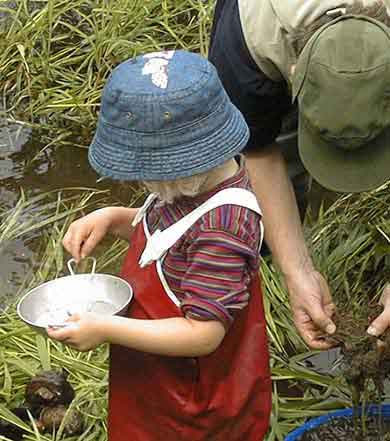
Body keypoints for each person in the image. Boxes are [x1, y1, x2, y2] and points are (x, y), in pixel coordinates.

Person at [47, 50, 271, 441]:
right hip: (156, 381)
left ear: (183, 164)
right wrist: (116, 217)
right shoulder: (194, 187)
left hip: (193, 404)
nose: (144, 184)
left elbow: (203, 334)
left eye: (147, 174)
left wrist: (106, 327)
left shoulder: (224, 228)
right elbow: (173, 236)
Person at [208, 0, 390, 348]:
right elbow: (258, 148)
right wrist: (298, 272)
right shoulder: (249, 38)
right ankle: (260, 260)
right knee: (268, 154)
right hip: (268, 41)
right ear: (294, 74)